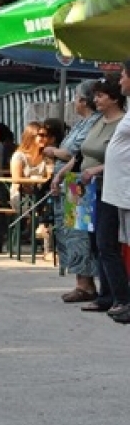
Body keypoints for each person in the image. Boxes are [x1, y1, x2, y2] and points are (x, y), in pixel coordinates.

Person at [46, 80, 101, 302]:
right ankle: (81, 281)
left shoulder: (93, 123)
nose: (73, 102)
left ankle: (85, 284)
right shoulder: (81, 122)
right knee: (70, 232)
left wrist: (53, 151)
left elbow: (72, 154)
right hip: (68, 182)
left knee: (78, 233)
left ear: (83, 100)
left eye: (76, 97)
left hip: (78, 183)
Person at [93, 69, 130, 323]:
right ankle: (120, 298)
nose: (121, 80)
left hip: (125, 190)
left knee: (110, 245)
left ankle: (122, 299)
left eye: (125, 75)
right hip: (114, 190)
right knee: (106, 244)